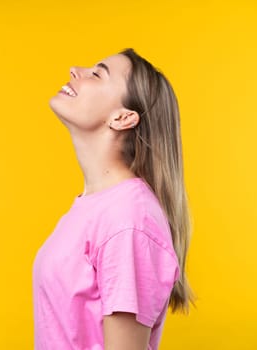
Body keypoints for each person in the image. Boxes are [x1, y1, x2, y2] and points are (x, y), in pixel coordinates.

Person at [33, 48, 196, 349]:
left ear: (122, 118)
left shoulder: (129, 217)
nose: (74, 69)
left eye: (97, 74)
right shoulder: (96, 206)